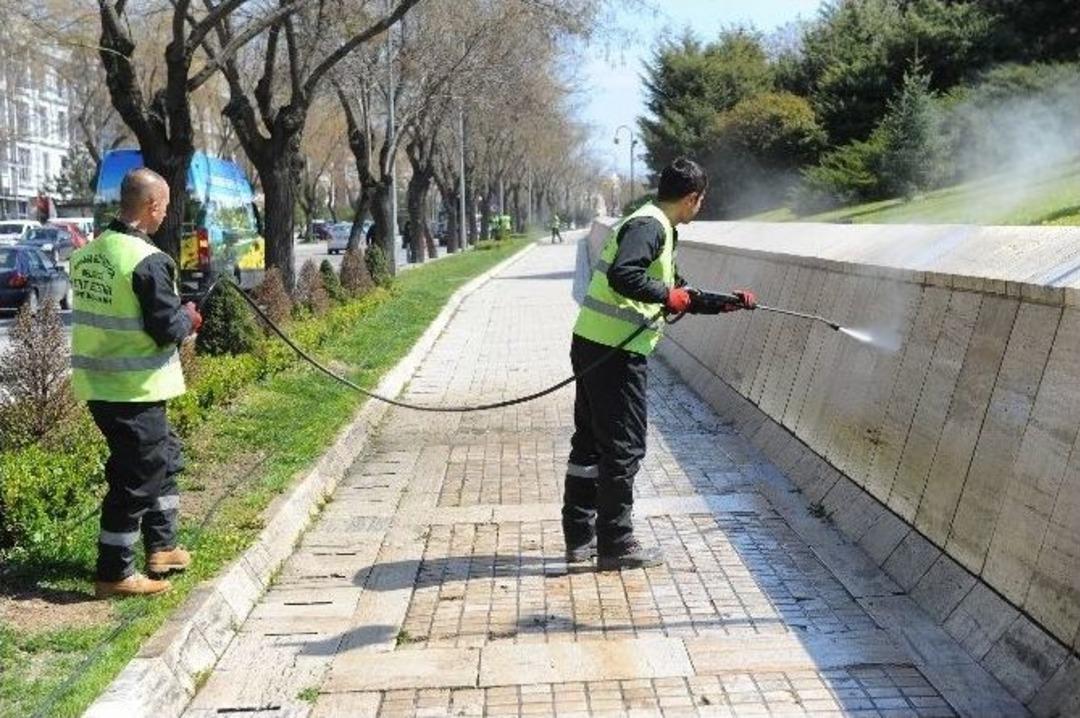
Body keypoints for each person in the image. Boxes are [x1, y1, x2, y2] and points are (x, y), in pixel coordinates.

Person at [563, 158, 756, 571]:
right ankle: (616, 542)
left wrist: (727, 303)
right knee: (625, 446)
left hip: (595, 342)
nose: (699, 207)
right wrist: (667, 297)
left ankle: (579, 539)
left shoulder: (654, 225)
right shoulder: (649, 227)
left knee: (591, 443)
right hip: (615, 351)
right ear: (692, 198)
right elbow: (625, 276)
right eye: (700, 201)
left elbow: (677, 290)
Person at [70, 168, 203, 598]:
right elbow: (166, 327)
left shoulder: (90, 252)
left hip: (99, 383)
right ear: (150, 206)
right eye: (163, 206)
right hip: (133, 387)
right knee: (138, 475)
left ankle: (162, 548)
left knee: (162, 456)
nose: (165, 215)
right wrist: (190, 318)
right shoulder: (146, 259)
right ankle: (114, 572)